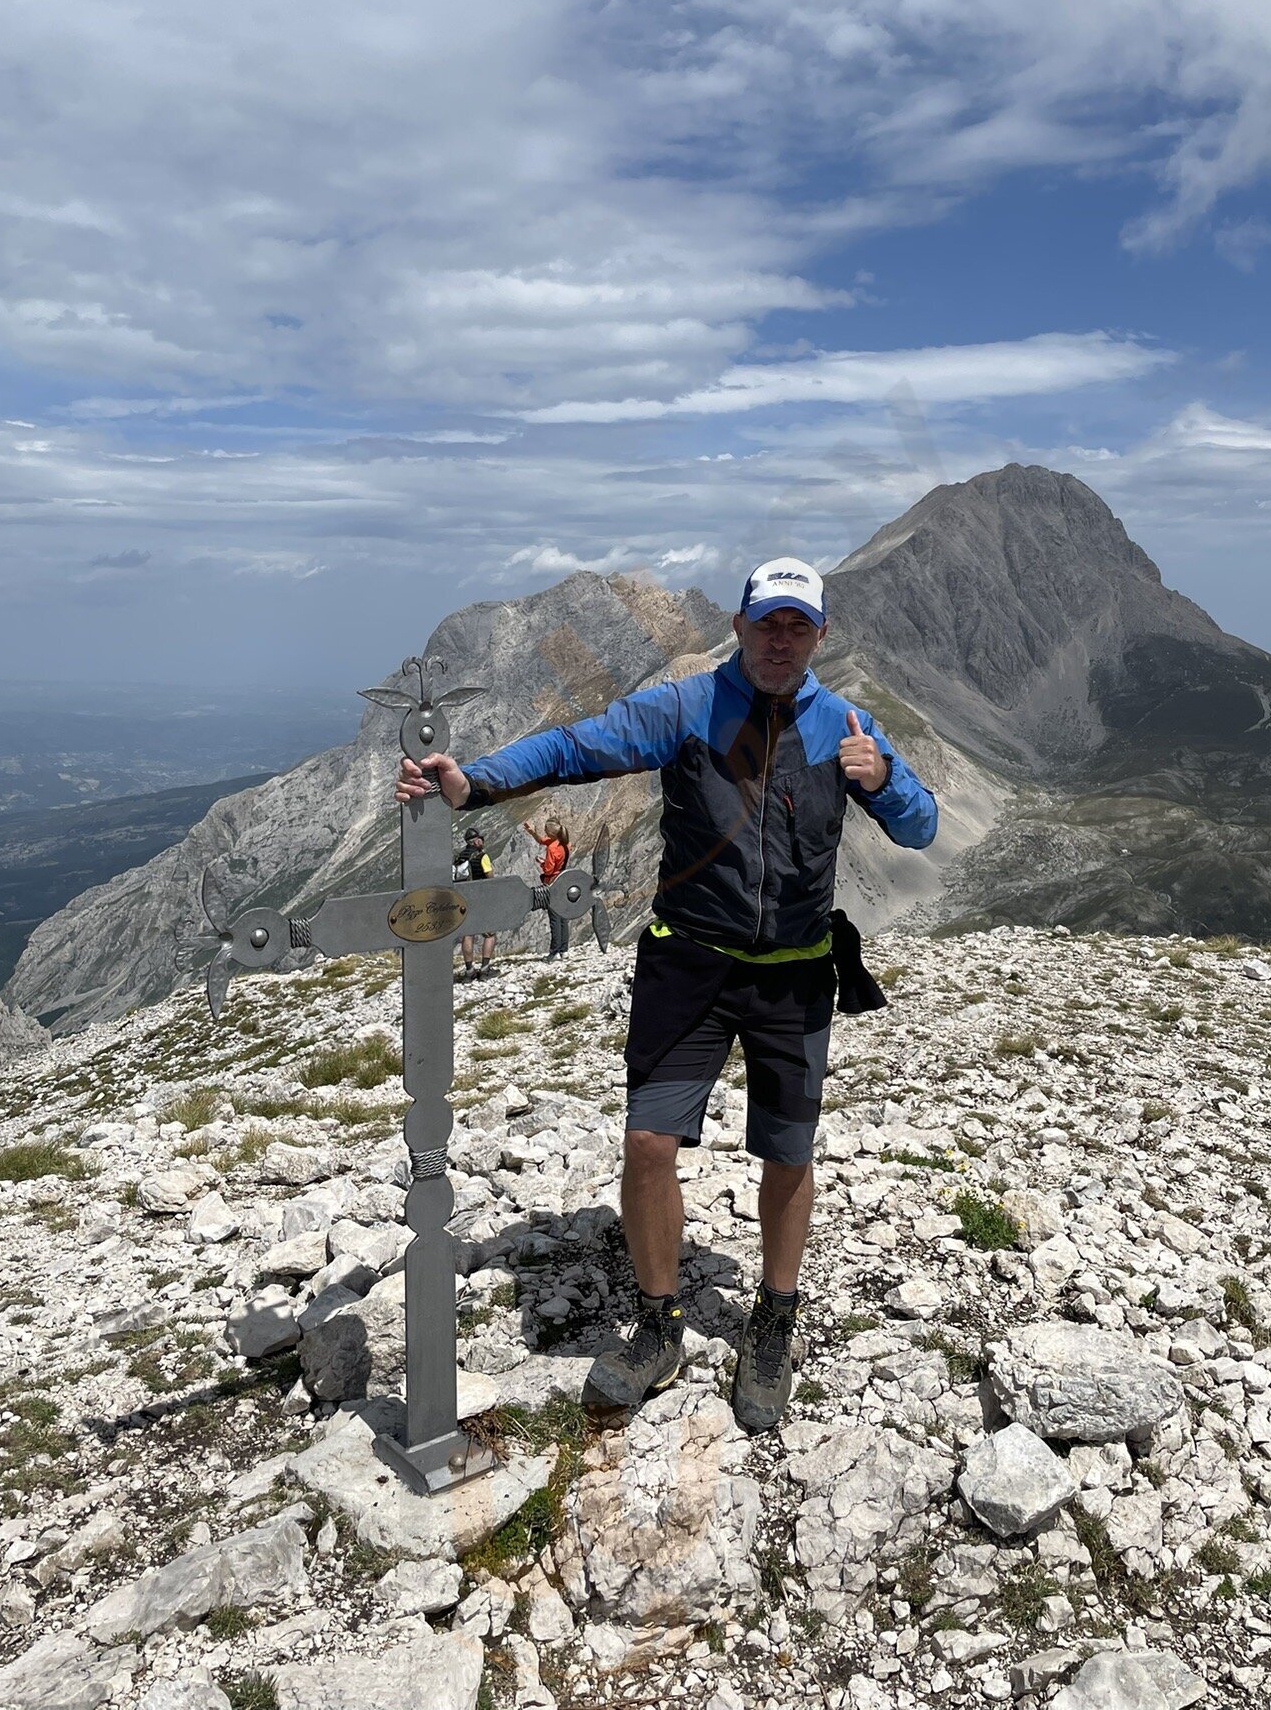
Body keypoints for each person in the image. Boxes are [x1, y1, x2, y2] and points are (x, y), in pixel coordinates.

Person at [393, 556, 937, 1434]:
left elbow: (921, 826)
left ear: (820, 636)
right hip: (689, 963)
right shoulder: (686, 707)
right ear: (740, 626)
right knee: (649, 1140)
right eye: (768, 624)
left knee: (788, 1153)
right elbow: (579, 745)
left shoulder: (847, 727)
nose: (780, 640)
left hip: (796, 970)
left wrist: (885, 780)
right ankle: (658, 1325)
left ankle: (773, 1319)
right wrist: (476, 782)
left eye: (798, 626)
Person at [524, 816, 571, 959]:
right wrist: (532, 832)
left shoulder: (552, 849)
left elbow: (548, 870)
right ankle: (564, 950)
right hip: (563, 880)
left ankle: (554, 951)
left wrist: (542, 862)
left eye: (545, 830)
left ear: (550, 833)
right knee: (563, 917)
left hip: (552, 882)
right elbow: (541, 840)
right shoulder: (566, 843)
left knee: (554, 918)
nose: (544, 833)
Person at [452, 828, 496, 979]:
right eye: (481, 839)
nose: (482, 842)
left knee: (467, 935)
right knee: (489, 934)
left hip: (463, 899)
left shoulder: (459, 857)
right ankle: (484, 969)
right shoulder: (482, 856)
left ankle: (469, 970)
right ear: (477, 841)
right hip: (481, 898)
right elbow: (490, 878)